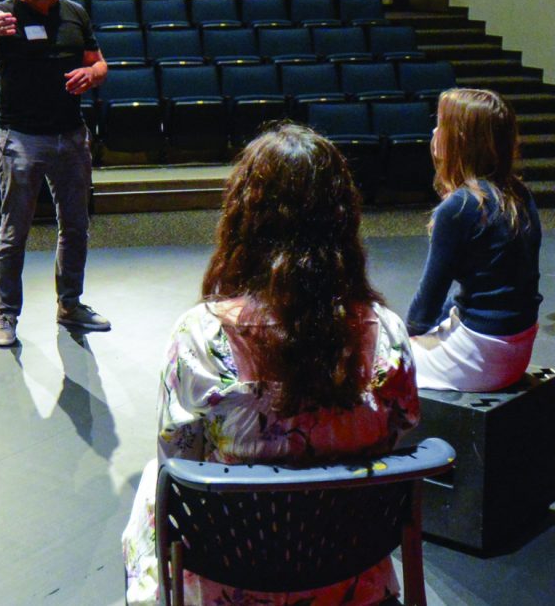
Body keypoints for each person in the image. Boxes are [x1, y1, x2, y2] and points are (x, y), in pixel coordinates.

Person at [121, 124, 419, 605]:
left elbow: (177, 457)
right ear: (343, 219)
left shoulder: (200, 336)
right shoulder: (386, 333)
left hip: (234, 576)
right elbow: (397, 434)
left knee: (153, 492)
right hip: (348, 575)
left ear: (243, 218)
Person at [0, 0, 110, 347]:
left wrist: (92, 75)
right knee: (15, 233)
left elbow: (99, 64)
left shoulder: (75, 15)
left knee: (76, 226)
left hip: (70, 136)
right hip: (21, 140)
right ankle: (6, 316)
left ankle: (70, 305)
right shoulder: (1, 16)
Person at [406, 88, 542, 391]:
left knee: (378, 362)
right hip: (519, 344)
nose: (434, 131)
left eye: (442, 125)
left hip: (483, 356)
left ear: (461, 139)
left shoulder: (460, 206)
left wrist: (406, 337)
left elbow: (426, 305)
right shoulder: (518, 193)